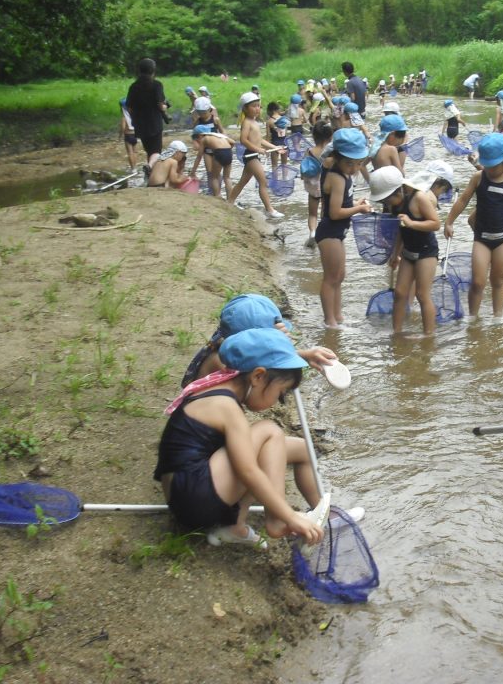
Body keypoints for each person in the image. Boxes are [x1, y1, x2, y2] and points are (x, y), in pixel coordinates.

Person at [154, 327, 327, 550]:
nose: (277, 401)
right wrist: (289, 516)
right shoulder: (226, 407)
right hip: (191, 498)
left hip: (184, 492)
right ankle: (277, 520)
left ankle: (240, 526)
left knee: (302, 449)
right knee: (269, 430)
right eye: (280, 393)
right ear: (257, 376)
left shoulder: (221, 384)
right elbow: (248, 471)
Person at [443, 133, 503, 317]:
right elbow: (463, 199)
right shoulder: (478, 177)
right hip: (481, 240)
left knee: (498, 280)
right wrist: (449, 222)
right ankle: (473, 318)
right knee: (478, 282)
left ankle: (498, 317)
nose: (488, 169)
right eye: (486, 165)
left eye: (493, 166)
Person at [181, 293, 338, 388]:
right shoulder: (221, 361)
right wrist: (284, 347)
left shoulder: (225, 346)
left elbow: (262, 356)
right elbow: (263, 365)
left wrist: (304, 355)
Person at [373, 167, 453, 337]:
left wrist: (411, 223)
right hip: (408, 252)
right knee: (400, 293)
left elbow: (435, 224)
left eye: (386, 199)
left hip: (426, 252)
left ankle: (428, 336)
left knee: (422, 295)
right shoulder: (394, 206)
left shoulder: (419, 198)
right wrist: (395, 254)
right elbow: (400, 231)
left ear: (397, 191)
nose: (385, 204)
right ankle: (397, 333)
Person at [316, 128, 373, 328]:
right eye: (349, 163)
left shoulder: (345, 175)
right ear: (337, 157)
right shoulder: (337, 177)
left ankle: (338, 316)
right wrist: (359, 208)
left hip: (338, 232)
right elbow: (334, 213)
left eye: (358, 163)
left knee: (339, 276)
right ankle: (329, 320)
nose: (354, 168)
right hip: (329, 232)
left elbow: (342, 203)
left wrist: (356, 202)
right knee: (331, 277)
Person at [226, 92, 283, 219]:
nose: (257, 109)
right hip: (250, 156)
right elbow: (243, 140)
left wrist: (275, 148)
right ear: (245, 108)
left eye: (259, 106)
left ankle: (229, 202)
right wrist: (258, 149)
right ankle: (270, 210)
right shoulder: (247, 122)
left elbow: (260, 140)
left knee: (242, 182)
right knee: (263, 182)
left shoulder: (254, 122)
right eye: (254, 106)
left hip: (253, 155)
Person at [125, 57, 170, 169]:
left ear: (139, 70)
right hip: (154, 122)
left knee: (149, 150)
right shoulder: (156, 85)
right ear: (153, 70)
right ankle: (150, 167)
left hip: (140, 124)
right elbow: (161, 105)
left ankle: (150, 173)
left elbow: (129, 107)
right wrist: (165, 108)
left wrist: (135, 117)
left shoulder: (134, 86)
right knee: (156, 151)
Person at [302, 121, 334, 249]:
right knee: (324, 212)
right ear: (330, 137)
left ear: (314, 136)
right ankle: (323, 234)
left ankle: (312, 233)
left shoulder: (309, 151)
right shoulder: (331, 152)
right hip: (327, 185)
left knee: (312, 214)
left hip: (313, 186)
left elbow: (303, 168)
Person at [189, 124, 235, 199]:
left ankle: (217, 196)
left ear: (201, 135)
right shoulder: (218, 135)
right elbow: (233, 142)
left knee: (214, 177)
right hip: (228, 151)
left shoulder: (205, 139)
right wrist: (225, 149)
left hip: (219, 152)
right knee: (227, 178)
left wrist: (193, 172)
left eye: (197, 138)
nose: (198, 140)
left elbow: (199, 156)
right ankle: (230, 199)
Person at [264, 102, 287, 171]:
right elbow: (285, 133)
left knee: (274, 166)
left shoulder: (269, 121)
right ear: (277, 109)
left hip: (274, 144)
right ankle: (285, 179)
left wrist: (267, 148)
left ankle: (275, 180)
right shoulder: (284, 120)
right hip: (284, 143)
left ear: (271, 110)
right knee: (284, 165)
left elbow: (268, 136)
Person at [118, 98, 137, 173]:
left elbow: (122, 127)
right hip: (135, 135)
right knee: (135, 152)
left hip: (128, 136)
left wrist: (120, 136)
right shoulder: (134, 115)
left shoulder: (124, 117)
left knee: (130, 152)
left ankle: (133, 168)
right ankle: (135, 167)